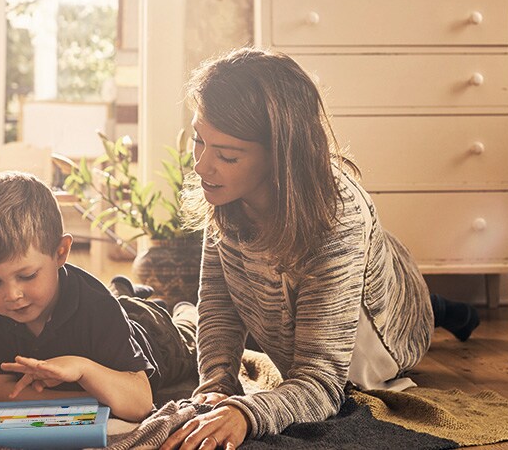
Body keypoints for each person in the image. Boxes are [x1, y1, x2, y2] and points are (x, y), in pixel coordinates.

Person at [160, 48, 480, 449]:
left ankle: (444, 310)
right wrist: (216, 386)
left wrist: (248, 413)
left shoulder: (336, 218)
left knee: (419, 309)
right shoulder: (227, 189)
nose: (201, 165)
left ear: (280, 154)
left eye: (226, 155)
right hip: (309, 296)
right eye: (198, 140)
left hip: (392, 318)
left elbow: (323, 382)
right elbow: (220, 304)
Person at [0, 171, 198, 422]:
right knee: (120, 301)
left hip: (157, 336)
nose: (12, 295)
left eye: (27, 276)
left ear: (61, 253)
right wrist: (89, 399)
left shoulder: (97, 307)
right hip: (112, 318)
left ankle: (186, 311)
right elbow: (0, 390)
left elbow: (139, 404)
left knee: (187, 334)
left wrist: (82, 369)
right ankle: (123, 289)